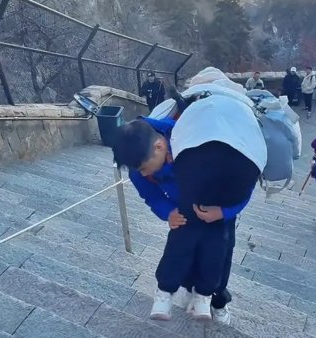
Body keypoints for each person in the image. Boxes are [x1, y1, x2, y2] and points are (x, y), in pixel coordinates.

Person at [112, 94, 266, 323]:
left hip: (219, 212)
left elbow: (244, 184)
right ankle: (189, 293)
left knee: (219, 258)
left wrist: (223, 213)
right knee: (183, 253)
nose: (144, 174)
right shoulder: (138, 167)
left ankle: (217, 302)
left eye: (146, 168)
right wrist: (167, 213)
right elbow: (151, 196)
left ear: (160, 146)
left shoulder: (196, 141)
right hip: (184, 215)